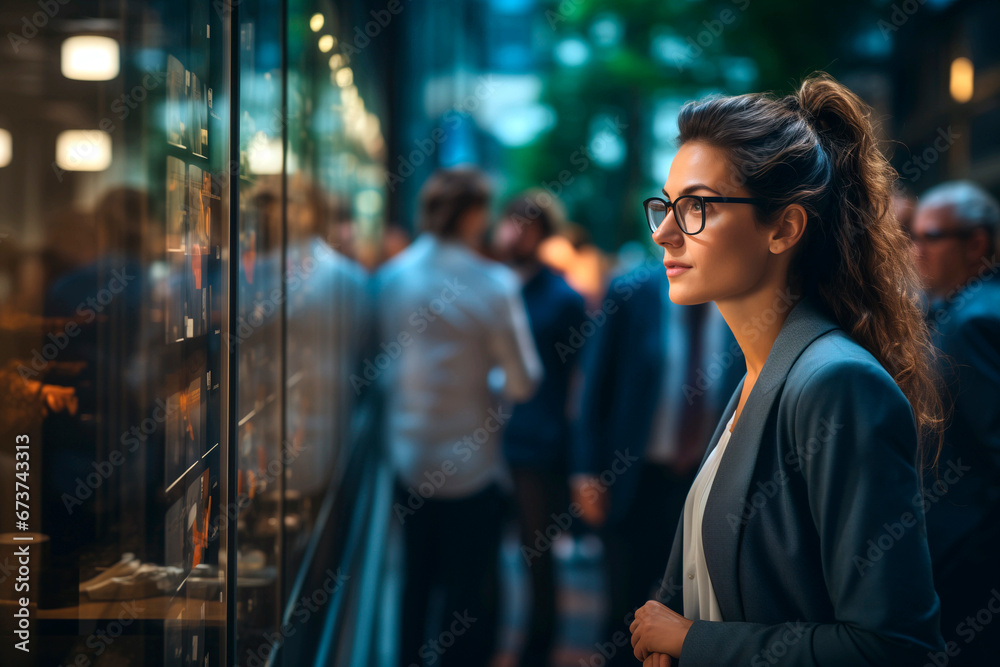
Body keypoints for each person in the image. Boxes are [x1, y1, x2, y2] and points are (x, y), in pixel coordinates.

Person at [628, 72, 946, 666]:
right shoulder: (754, 373)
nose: (666, 232)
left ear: (784, 228)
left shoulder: (835, 384)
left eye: (696, 206)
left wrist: (694, 641)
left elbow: (893, 648)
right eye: (665, 206)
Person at [376, 167, 542, 667]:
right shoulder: (493, 283)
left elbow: (379, 369)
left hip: (408, 457)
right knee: (468, 597)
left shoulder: (391, 278)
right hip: (472, 463)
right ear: (473, 215)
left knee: (413, 588)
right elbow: (523, 380)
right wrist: (485, 378)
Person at [571, 255, 743, 667]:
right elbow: (596, 385)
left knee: (695, 610)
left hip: (710, 482)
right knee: (624, 609)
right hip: (635, 477)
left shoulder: (742, 292)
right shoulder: (633, 291)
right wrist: (586, 471)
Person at [492, 191, 586, 667]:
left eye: (529, 224)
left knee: (537, 554)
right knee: (488, 551)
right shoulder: (495, 285)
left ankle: (539, 645)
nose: (518, 231)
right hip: (484, 441)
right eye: (512, 221)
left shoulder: (564, 297)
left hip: (539, 442)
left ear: (544, 231)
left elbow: (578, 382)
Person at [911, 180, 1000, 665]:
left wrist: (970, 557)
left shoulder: (974, 322)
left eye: (929, 237)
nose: (915, 250)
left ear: (976, 244)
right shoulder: (959, 311)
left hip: (967, 563)